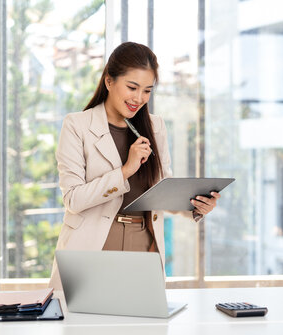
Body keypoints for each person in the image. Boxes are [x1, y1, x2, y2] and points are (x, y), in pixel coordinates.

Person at [48, 42, 220, 290]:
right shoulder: (77, 125)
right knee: (87, 326)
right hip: (95, 243)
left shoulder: (155, 126)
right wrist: (125, 171)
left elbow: (162, 189)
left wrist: (197, 206)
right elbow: (73, 199)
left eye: (147, 91)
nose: (139, 98)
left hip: (144, 244)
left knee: (142, 327)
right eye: (132, 87)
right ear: (109, 81)